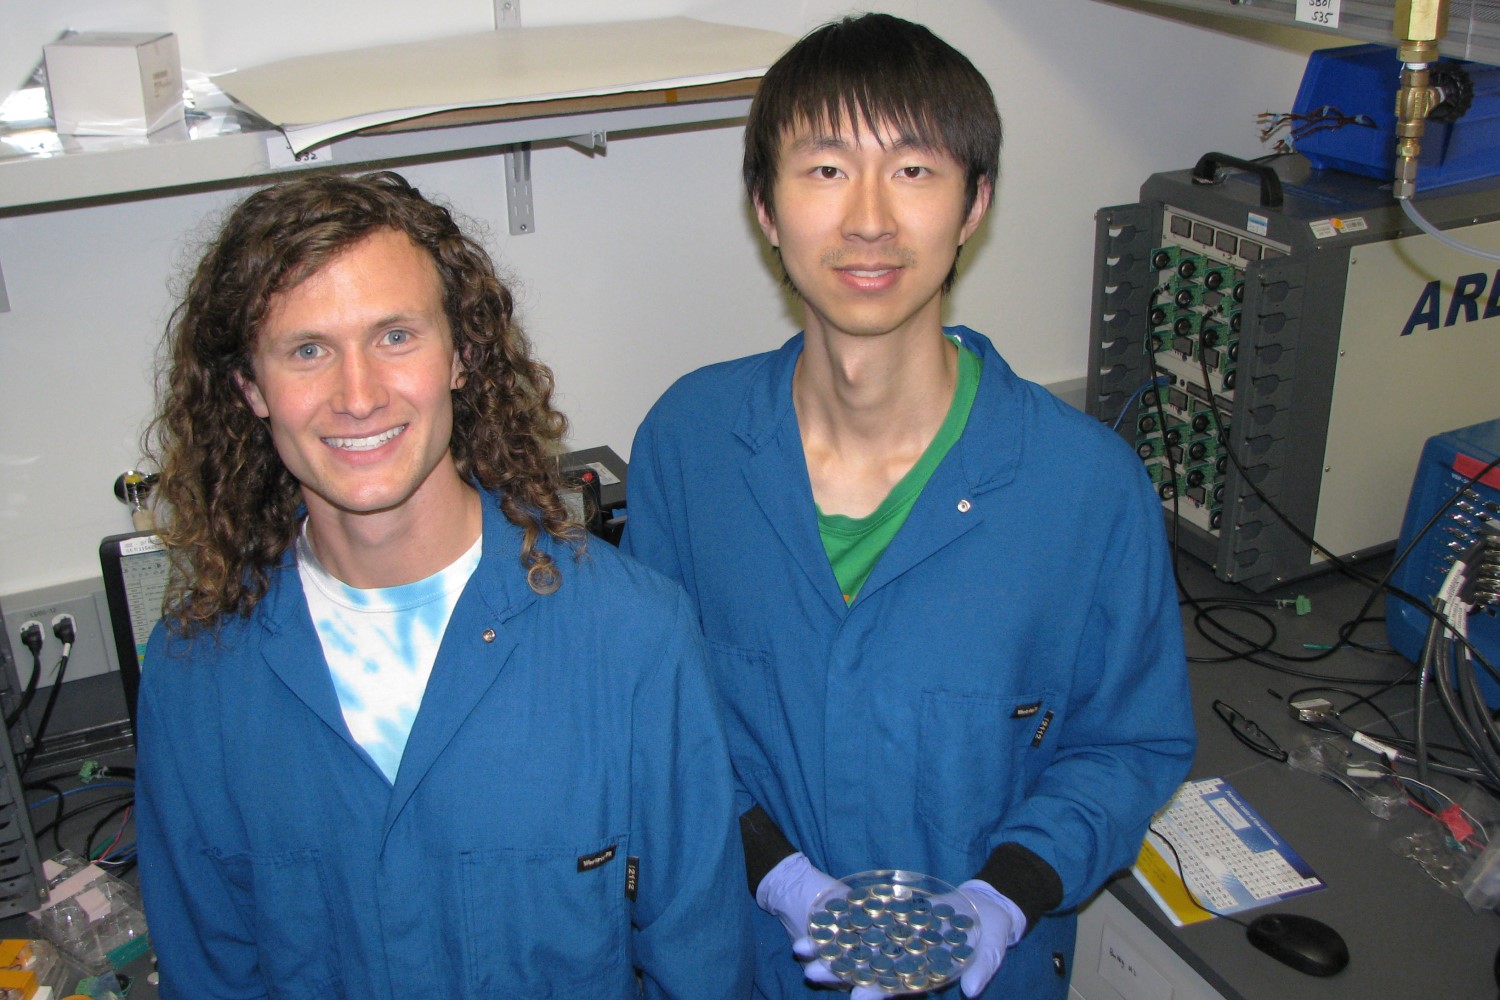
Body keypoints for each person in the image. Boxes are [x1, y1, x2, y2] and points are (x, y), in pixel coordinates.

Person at [622, 14, 1196, 1000]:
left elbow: (1130, 744)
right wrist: (775, 871)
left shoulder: (1088, 491)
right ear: (765, 207)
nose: (871, 221)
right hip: (745, 967)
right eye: (826, 169)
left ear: (976, 204)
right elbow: (658, 724)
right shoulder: (688, 447)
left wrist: (1009, 895)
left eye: (917, 171)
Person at [135, 170, 752, 999]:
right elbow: (210, 979)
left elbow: (701, 967)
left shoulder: (632, 640)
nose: (358, 396)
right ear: (249, 387)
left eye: (395, 337)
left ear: (462, 355)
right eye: (307, 350)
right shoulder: (196, 674)